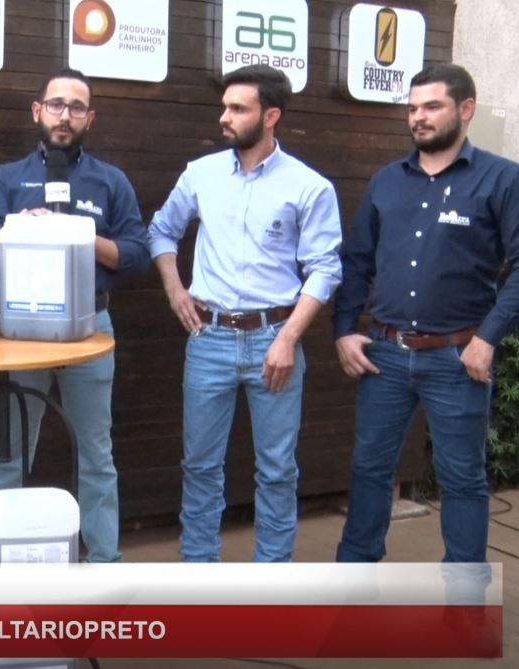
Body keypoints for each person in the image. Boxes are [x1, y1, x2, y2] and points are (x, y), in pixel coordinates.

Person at [332, 63, 519, 563]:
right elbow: (357, 262)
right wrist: (344, 330)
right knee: (369, 469)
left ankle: (464, 594)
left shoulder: (505, 180)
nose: (418, 118)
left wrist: (487, 339)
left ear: (466, 109)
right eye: (412, 109)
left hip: (457, 358)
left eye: (432, 106)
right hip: (384, 355)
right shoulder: (387, 182)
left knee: (462, 477)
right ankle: (353, 579)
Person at [147, 64, 343, 562]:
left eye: (238, 109)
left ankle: (270, 580)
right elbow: (162, 230)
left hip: (274, 338)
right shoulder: (201, 174)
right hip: (208, 338)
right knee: (199, 466)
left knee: (277, 470)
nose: (225, 117)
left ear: (271, 116)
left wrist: (288, 339)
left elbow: (324, 269)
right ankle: (200, 569)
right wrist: (175, 290)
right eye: (225, 107)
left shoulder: (309, 187)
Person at [0, 68, 150, 563]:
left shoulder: (110, 181)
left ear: (89, 118)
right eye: (56, 104)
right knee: (12, 451)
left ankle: (104, 562)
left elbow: (136, 255)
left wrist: (78, 233)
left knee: (97, 453)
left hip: (90, 330)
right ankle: (1, 563)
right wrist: (20, 228)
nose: (65, 116)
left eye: (76, 107)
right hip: (22, 333)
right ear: (38, 111)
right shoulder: (6, 178)